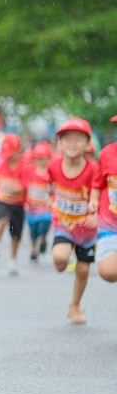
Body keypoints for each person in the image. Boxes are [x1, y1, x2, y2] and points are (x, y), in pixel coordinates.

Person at [46, 118, 98, 324]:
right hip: (64, 224)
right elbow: (51, 188)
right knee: (60, 259)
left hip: (87, 229)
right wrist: (53, 203)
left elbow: (100, 194)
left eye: (79, 138)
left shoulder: (93, 170)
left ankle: (74, 306)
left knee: (84, 269)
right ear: (59, 144)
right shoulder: (53, 166)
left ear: (87, 144)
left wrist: (95, 214)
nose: (73, 143)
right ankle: (64, 259)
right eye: (67, 138)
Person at [0, 133, 27, 275]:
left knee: (16, 235)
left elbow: (23, 187)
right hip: (2, 200)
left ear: (18, 151)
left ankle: (13, 259)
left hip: (18, 204)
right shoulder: (2, 164)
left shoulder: (23, 167)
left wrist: (10, 187)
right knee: (3, 219)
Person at [89, 113, 117, 283]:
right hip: (110, 224)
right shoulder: (107, 153)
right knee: (107, 273)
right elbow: (97, 184)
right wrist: (93, 203)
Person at [24, 142, 53, 264]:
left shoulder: (51, 173)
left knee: (43, 227)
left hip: (45, 209)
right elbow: (25, 188)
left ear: (48, 158)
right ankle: (33, 251)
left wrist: (52, 200)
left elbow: (55, 190)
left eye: (43, 158)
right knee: (32, 232)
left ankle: (43, 239)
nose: (40, 161)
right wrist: (25, 202)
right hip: (32, 209)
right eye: (38, 158)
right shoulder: (30, 172)